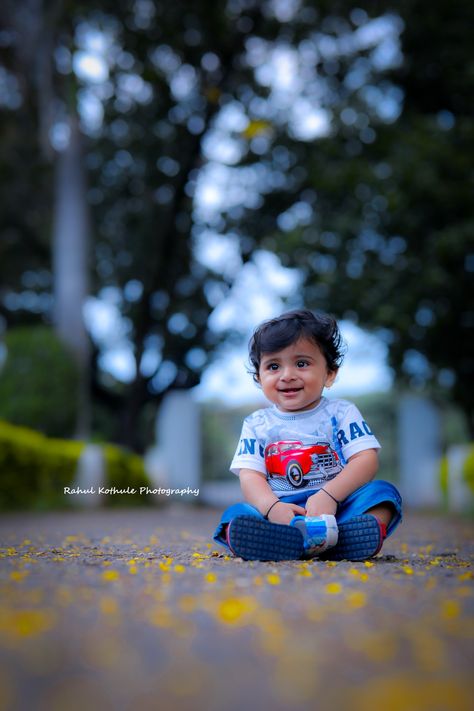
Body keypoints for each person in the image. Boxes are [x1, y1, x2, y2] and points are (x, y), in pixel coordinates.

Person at [213, 309, 402, 561]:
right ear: (259, 378)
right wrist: (271, 507)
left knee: (383, 495)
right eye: (273, 366)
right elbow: (250, 475)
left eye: (301, 363)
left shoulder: (342, 412)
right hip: (281, 514)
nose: (287, 375)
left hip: (338, 508)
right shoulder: (257, 423)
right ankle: (274, 541)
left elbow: (366, 459)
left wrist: (330, 495)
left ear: (330, 373)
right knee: (235, 515)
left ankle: (348, 537)